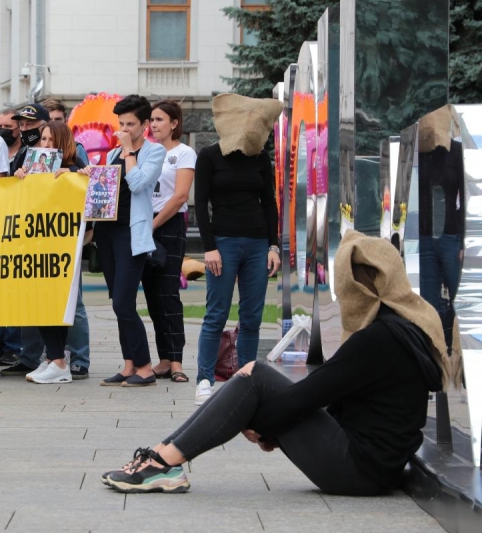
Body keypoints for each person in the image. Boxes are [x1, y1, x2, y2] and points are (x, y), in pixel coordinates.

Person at [101, 231, 450, 496]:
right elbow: (331, 394)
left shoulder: (378, 339)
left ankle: (163, 463)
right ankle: (161, 458)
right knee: (254, 381)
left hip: (359, 468)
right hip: (373, 465)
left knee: (254, 377)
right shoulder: (401, 329)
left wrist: (264, 424)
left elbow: (310, 394)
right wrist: (272, 426)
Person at [193, 94, 282, 405]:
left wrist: (274, 246)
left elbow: (269, 203)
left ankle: (247, 379)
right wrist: (209, 248)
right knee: (215, 313)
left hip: (258, 244)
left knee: (252, 317)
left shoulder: (260, 158)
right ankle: (204, 379)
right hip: (224, 243)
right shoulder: (209, 156)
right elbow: (200, 204)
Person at [80, 94, 165, 388]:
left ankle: (145, 367)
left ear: (144, 125)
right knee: (118, 301)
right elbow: (106, 192)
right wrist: (92, 176)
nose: (124, 130)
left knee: (125, 303)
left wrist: (129, 152)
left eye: (131, 124)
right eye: (121, 124)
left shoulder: (153, 152)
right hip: (108, 232)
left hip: (133, 233)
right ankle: (129, 364)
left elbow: (140, 183)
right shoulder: (114, 154)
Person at [7, 121, 92, 380]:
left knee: (61, 304)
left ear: (62, 143)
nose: (44, 145)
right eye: (42, 140)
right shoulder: (33, 168)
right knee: (41, 302)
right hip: (37, 246)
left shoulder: (76, 168)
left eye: (49, 140)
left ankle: (60, 360)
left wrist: (76, 175)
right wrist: (20, 178)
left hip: (64, 249)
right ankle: (53, 358)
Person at [142, 100, 196, 383]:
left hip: (169, 225)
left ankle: (176, 361)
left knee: (168, 294)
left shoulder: (184, 153)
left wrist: (153, 225)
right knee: (152, 296)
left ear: (174, 123)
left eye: (160, 119)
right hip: (145, 223)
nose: (154, 124)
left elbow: (180, 196)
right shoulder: (146, 152)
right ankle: (162, 359)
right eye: (151, 119)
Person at [41, 97, 89, 166]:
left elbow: (84, 175)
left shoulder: (77, 149)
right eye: (49, 120)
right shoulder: (36, 148)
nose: (54, 124)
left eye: (58, 120)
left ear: (66, 122)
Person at [0, 109, 26, 177]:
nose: (3, 130)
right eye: (0, 126)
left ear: (19, 128)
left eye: (7, 126)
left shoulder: (27, 152)